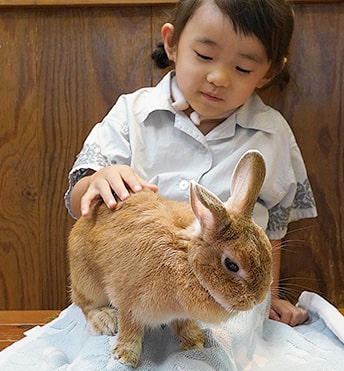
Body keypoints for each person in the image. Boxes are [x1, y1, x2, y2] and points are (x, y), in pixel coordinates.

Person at [65, 0, 317, 327]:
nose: (218, 77)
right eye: (204, 56)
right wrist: (97, 180)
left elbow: (273, 228)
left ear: (268, 72)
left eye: (242, 68)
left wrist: (267, 297)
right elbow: (77, 202)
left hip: (228, 305)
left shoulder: (271, 134)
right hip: (140, 296)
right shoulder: (132, 114)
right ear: (172, 42)